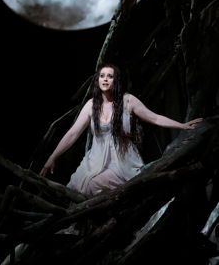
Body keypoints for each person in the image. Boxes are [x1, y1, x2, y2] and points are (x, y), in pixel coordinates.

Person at [40, 64, 202, 197]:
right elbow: (73, 133)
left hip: (122, 162)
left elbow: (155, 118)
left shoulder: (128, 100)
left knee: (92, 186)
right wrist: (53, 156)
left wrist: (182, 125)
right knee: (76, 187)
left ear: (116, 81)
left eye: (110, 76)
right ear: (97, 80)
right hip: (95, 161)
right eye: (102, 75)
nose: (105, 79)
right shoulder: (91, 105)